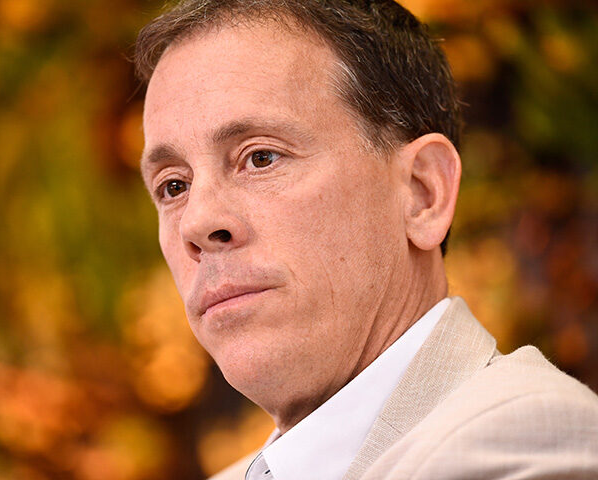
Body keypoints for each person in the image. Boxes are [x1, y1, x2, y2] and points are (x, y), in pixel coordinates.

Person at [134, 1, 598, 479]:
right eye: (174, 186)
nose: (196, 222)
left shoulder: (529, 444)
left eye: (261, 158)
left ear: (423, 193)